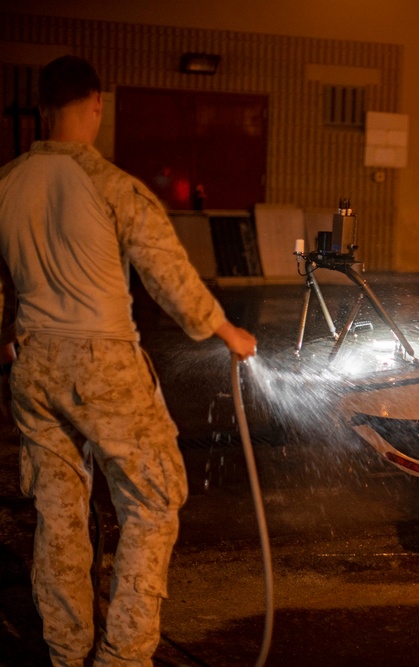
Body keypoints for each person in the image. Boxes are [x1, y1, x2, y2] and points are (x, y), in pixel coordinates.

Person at [0, 55, 257, 667]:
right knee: (152, 499)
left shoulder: (6, 183)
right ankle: (124, 656)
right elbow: (167, 274)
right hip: (103, 362)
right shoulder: (111, 185)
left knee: (59, 512)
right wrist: (226, 331)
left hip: (32, 363)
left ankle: (66, 652)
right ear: (95, 104)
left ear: (42, 107)